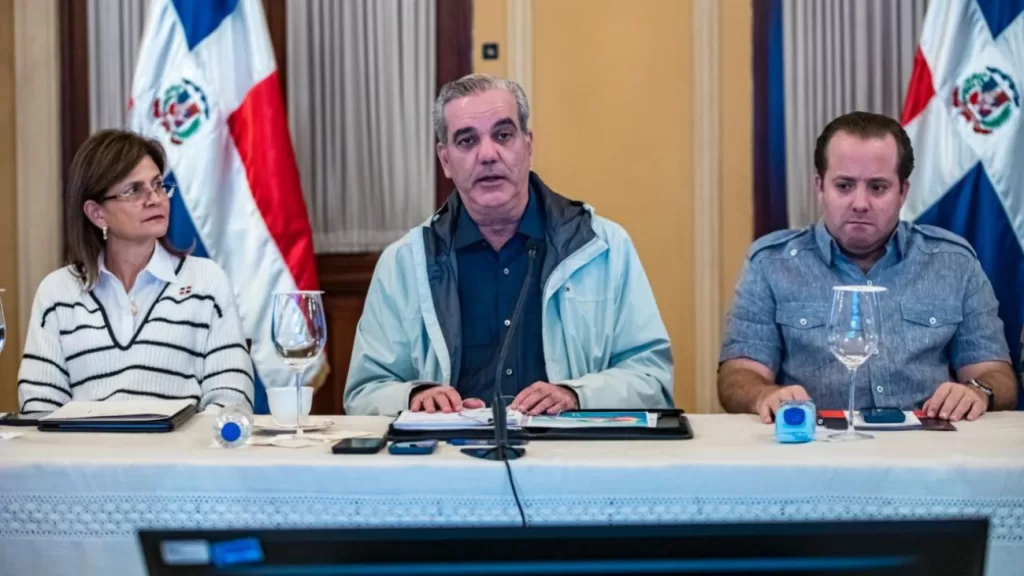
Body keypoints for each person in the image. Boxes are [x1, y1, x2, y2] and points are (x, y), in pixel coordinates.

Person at [344, 73, 673, 416]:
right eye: (467, 141)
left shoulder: (604, 248)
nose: (487, 154)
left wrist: (577, 395)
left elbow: (652, 379)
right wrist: (414, 397)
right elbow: (365, 392)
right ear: (445, 160)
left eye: (503, 135)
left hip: (572, 459)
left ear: (528, 145)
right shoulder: (404, 262)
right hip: (448, 462)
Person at [719, 111, 1016, 424]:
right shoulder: (771, 263)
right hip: (814, 449)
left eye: (877, 187)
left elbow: (995, 374)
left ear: (903, 192)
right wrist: (762, 394)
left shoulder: (954, 262)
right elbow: (739, 374)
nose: (860, 203)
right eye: (844, 186)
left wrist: (978, 390)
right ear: (820, 187)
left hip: (929, 452)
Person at [17, 129, 254, 413]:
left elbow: (232, 398)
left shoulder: (206, 281)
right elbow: (39, 407)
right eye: (134, 190)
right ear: (97, 213)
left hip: (180, 454)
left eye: (157, 185)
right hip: (85, 454)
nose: (154, 198)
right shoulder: (57, 292)